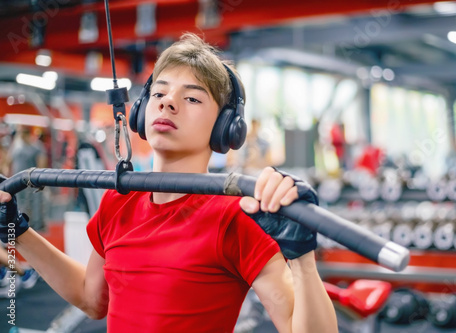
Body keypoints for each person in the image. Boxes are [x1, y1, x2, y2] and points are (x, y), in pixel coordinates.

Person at [0, 33, 338, 332]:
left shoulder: (236, 217)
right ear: (142, 110)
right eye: (159, 92)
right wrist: (17, 229)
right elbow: (92, 299)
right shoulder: (118, 203)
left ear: (225, 128)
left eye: (192, 98)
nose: (168, 101)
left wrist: (303, 261)